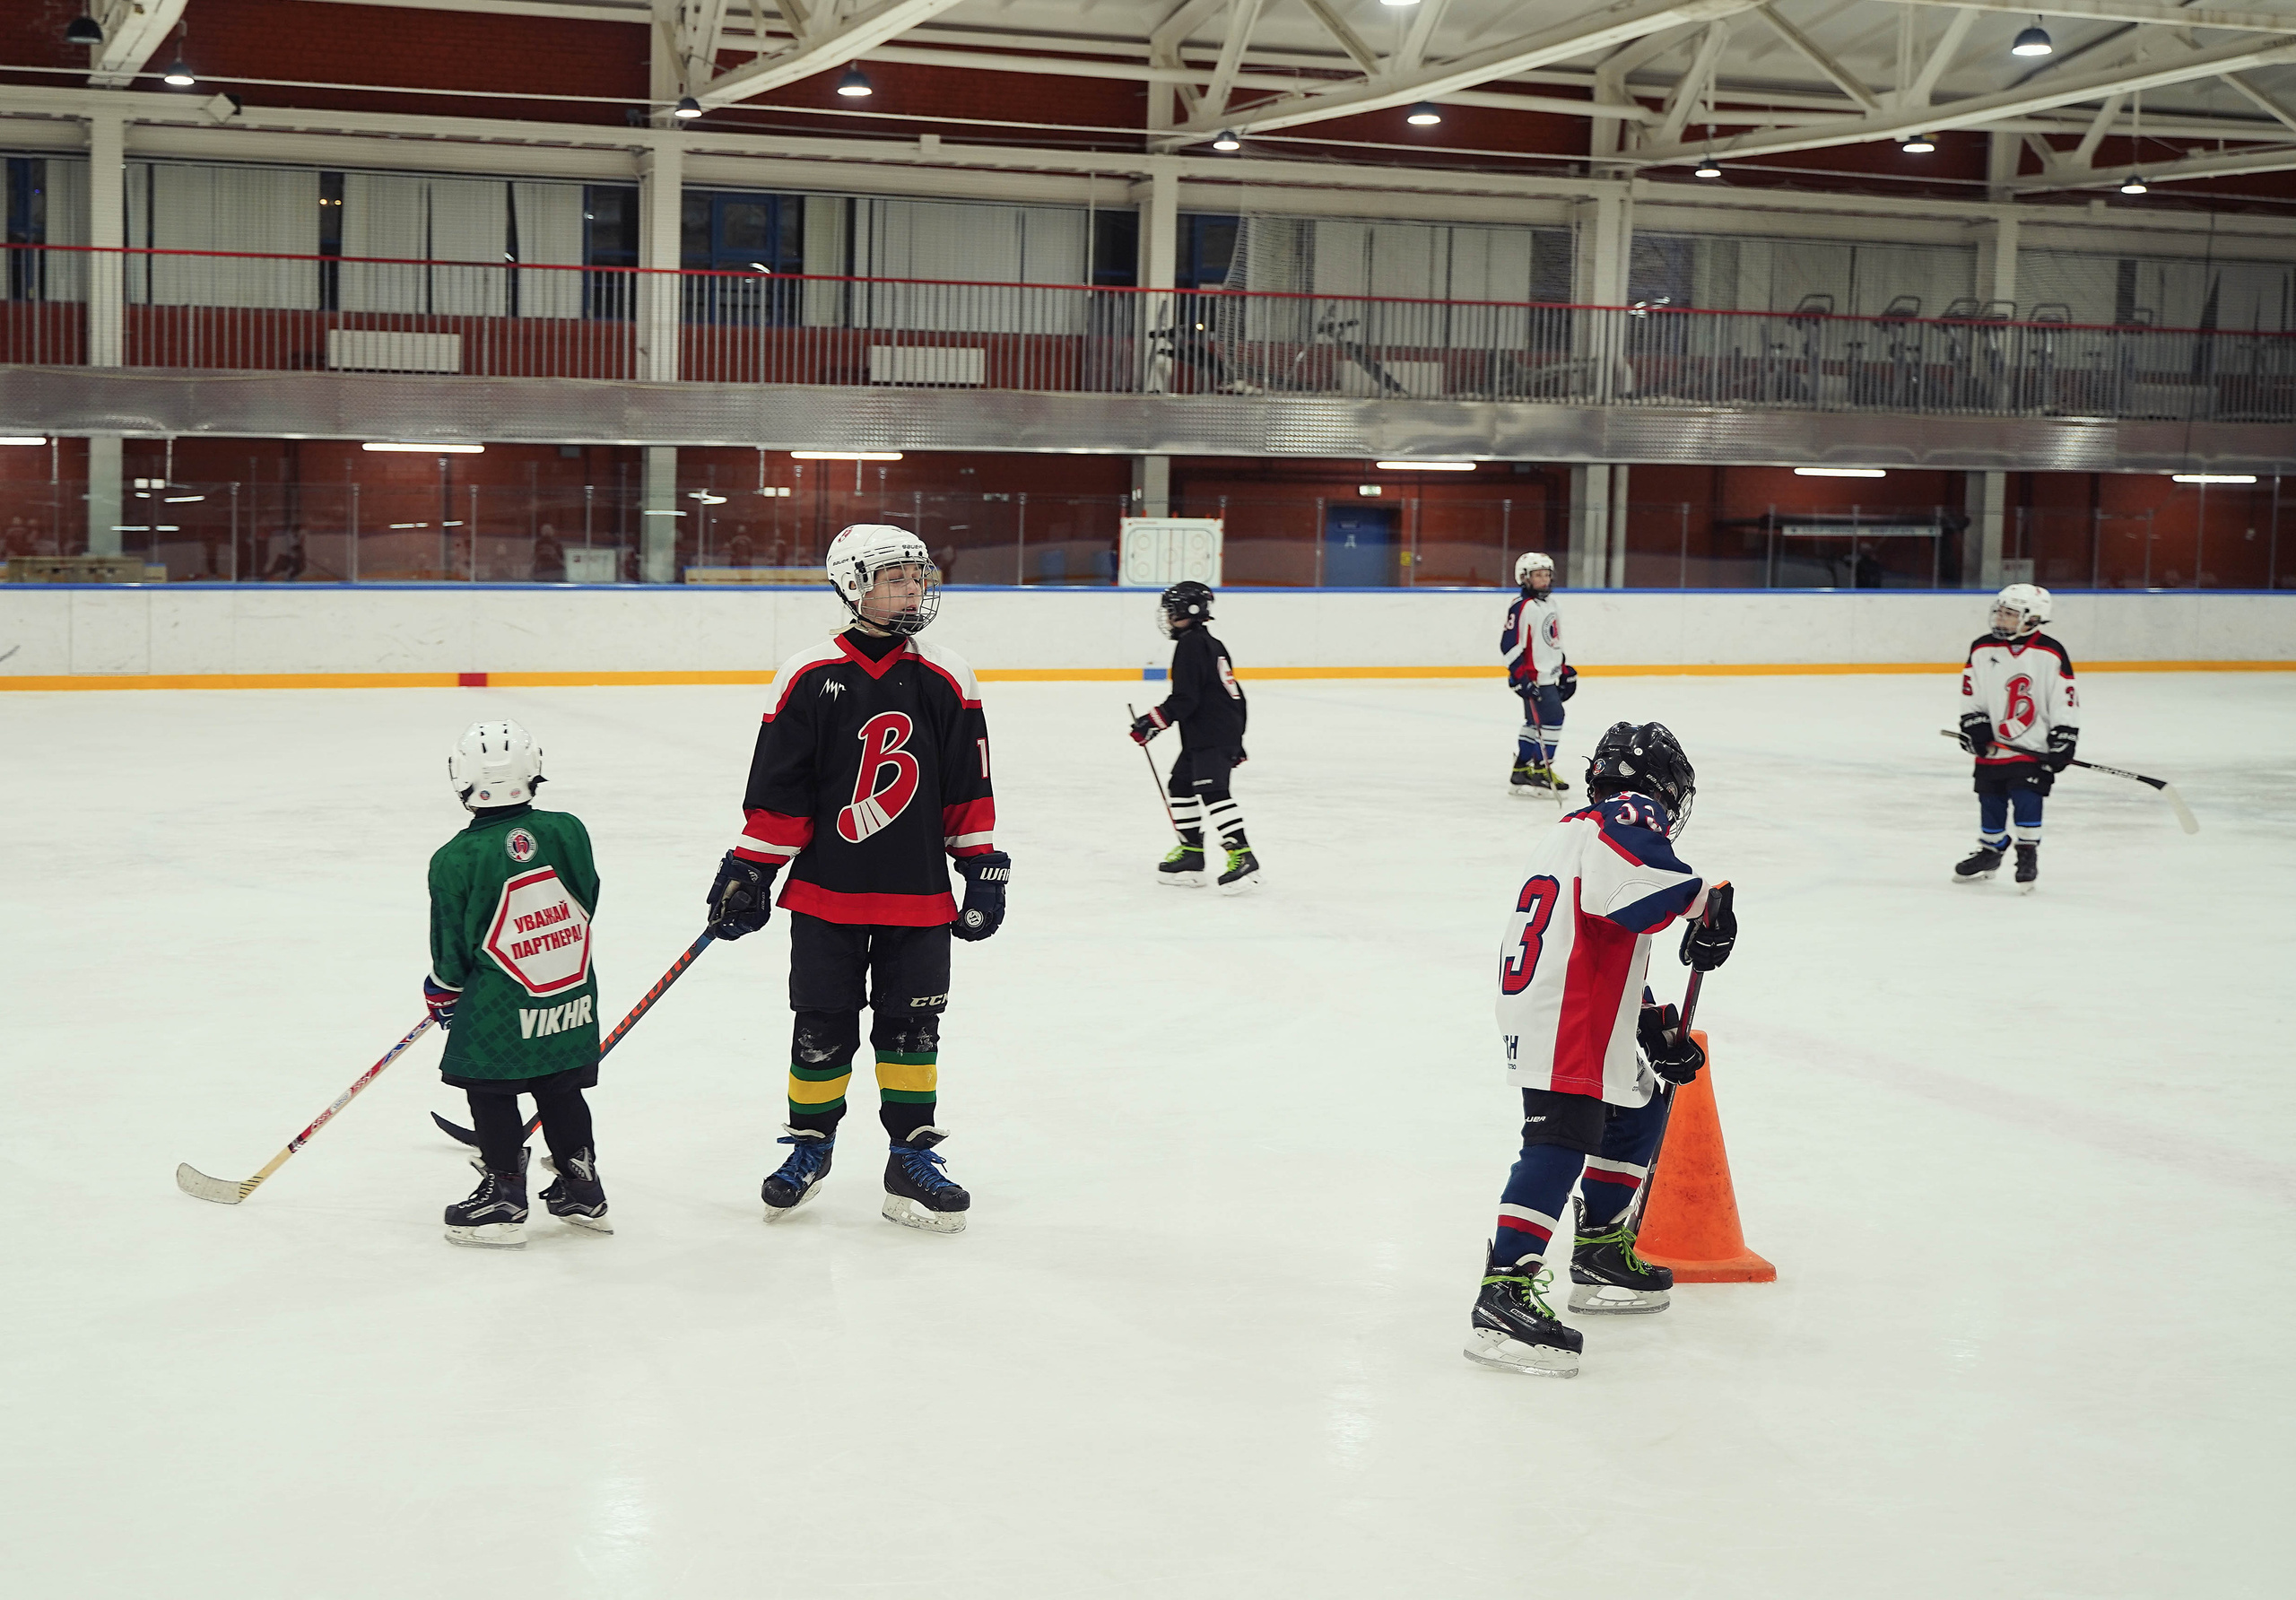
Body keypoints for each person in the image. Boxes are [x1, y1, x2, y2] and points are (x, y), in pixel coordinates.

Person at [705, 524, 1007, 1234]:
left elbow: (968, 785)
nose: (912, 589)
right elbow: (781, 791)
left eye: (916, 576)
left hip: (919, 895)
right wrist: (750, 868)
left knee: (913, 1031)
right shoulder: (808, 674)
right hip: (826, 895)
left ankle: (911, 1158)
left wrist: (982, 868)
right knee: (821, 1026)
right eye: (893, 578)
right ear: (852, 585)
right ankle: (809, 1148)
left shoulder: (947, 674)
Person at [1466, 721, 1736, 1378]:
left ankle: (1599, 1251)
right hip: (1567, 1010)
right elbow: (1640, 891)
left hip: (1572, 999)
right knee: (1560, 1137)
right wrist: (1707, 904)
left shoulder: (1575, 829)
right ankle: (1503, 1292)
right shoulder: (1626, 812)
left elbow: (1596, 929)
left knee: (1638, 1104)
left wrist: (1649, 1022)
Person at [424, 720, 610, 1248]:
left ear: (461, 779)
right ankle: (582, 1187)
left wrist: (443, 988)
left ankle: (504, 1195)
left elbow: (450, 948)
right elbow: (585, 899)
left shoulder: (454, 858)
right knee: (560, 1085)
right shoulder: (568, 829)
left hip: (500, 1004)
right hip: (567, 993)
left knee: (489, 1086)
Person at [1129, 580, 1257, 893]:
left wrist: (1151, 723)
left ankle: (1243, 856)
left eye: (1173, 611)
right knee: (1181, 785)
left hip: (1210, 735)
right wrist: (1236, 739)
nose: (1169, 617)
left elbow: (1186, 699)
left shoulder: (1190, 645)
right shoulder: (1211, 643)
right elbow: (1235, 696)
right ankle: (1192, 854)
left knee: (1213, 792)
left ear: (1191, 611)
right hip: (1209, 734)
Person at [1954, 583, 2078, 892]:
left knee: (2027, 796)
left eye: (2009, 615)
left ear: (2033, 619)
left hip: (2032, 745)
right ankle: (1991, 850)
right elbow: (1972, 692)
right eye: (1999, 612)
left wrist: (2064, 737)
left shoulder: (2050, 652)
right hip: (1994, 746)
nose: (2000, 619)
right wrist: (1974, 724)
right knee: (1990, 797)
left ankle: (2027, 852)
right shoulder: (1982, 648)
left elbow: (2065, 698)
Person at [1501, 552, 1577, 794]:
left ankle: (1521, 770)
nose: (1544, 580)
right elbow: (1510, 645)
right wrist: (1519, 676)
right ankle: (1541, 769)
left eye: (1547, 575)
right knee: (1554, 718)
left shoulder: (1552, 604)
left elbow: (1553, 641)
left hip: (1549, 675)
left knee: (1534, 722)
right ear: (1524, 578)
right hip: (1534, 678)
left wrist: (1564, 670)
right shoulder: (1522, 606)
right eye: (1538, 576)